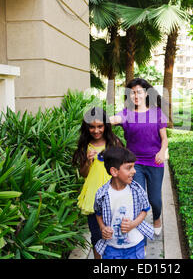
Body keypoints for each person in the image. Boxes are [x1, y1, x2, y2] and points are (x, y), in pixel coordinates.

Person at [110, 78, 168, 235]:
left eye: (139, 92)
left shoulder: (157, 113)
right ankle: (139, 226)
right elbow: (114, 119)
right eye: (132, 93)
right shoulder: (126, 113)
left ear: (146, 94)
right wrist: (99, 120)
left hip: (155, 162)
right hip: (134, 164)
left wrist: (162, 152)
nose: (136, 95)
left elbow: (164, 139)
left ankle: (157, 217)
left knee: (155, 199)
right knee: (137, 197)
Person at [72, 107, 123, 259]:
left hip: (114, 195)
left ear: (106, 126)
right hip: (94, 197)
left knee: (116, 234)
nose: (96, 130)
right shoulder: (84, 147)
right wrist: (88, 161)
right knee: (97, 236)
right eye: (92, 127)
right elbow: (84, 174)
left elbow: (123, 169)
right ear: (87, 127)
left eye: (100, 126)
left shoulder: (114, 143)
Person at [94, 146, 154, 259]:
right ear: (114, 171)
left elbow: (145, 210)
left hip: (135, 245)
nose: (134, 171)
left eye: (133, 167)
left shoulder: (137, 190)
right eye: (129, 168)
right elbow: (98, 213)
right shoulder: (102, 194)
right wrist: (102, 228)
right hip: (111, 247)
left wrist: (133, 224)